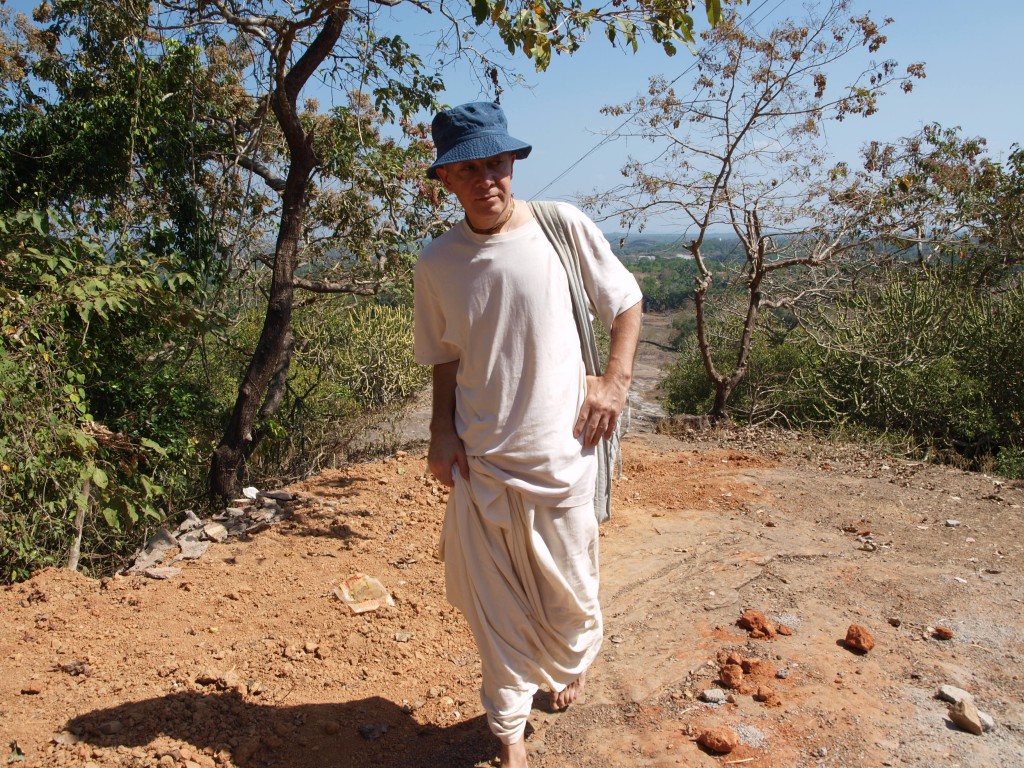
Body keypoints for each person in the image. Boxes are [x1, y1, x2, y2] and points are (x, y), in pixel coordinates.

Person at [413, 101, 642, 768]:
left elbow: (626, 301)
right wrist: (441, 432)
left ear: (512, 164)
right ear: (446, 179)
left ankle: (568, 662)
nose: (486, 179)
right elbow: (445, 354)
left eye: (496, 163)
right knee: (498, 610)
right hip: (483, 460)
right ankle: (509, 735)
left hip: (564, 455)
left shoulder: (561, 228)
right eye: (468, 169)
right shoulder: (437, 261)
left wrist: (615, 383)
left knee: (571, 599)